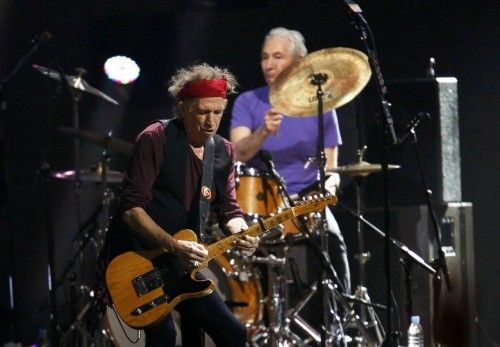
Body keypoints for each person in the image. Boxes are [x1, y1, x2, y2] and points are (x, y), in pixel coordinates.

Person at [101, 63, 260, 347]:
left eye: (218, 112)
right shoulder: (155, 138)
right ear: (183, 107)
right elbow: (131, 210)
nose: (211, 122)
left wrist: (241, 231)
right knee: (164, 336)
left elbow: (229, 208)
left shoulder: (224, 151)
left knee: (233, 333)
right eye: (202, 112)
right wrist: (173, 244)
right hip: (139, 261)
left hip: (182, 265)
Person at [230, 27, 351, 293]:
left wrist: (326, 192)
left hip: (308, 200)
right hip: (262, 203)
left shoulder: (322, 104)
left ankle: (341, 319)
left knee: (334, 242)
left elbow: (331, 167)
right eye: (264, 57)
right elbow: (237, 154)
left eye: (277, 56)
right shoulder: (247, 102)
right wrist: (263, 132)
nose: (269, 64)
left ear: (298, 62)